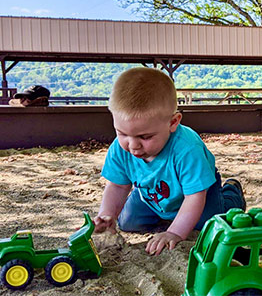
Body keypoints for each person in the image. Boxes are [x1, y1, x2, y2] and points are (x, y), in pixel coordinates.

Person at [93, 67, 246, 255]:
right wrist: (107, 216)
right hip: (153, 195)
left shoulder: (187, 149)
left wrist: (174, 232)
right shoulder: (120, 148)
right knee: (128, 222)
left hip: (197, 192)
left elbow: (194, 197)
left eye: (145, 136)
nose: (133, 146)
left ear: (173, 123)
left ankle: (232, 191)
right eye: (122, 133)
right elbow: (117, 186)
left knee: (208, 222)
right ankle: (170, 216)